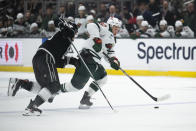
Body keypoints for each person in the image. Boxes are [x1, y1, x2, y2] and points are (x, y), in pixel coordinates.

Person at [8, 19, 78, 116]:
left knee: (48, 89)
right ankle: (32, 107)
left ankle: (21, 84)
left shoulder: (64, 39)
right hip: (46, 57)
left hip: (40, 59)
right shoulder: (65, 34)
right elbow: (60, 23)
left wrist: (72, 61)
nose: (75, 36)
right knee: (54, 85)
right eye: (75, 33)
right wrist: (68, 29)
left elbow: (57, 61)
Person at [60, 17, 122, 109]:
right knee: (75, 87)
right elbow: (91, 25)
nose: (117, 29)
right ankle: (54, 89)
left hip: (94, 61)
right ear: (111, 25)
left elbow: (110, 52)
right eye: (115, 27)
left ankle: (85, 99)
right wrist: (97, 39)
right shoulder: (105, 27)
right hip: (87, 57)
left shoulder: (112, 39)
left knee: (102, 78)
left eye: (118, 28)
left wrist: (114, 60)